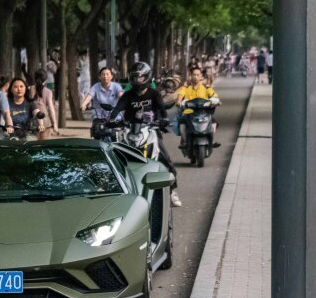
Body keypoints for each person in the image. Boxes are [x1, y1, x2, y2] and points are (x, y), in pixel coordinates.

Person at [109, 61, 182, 207]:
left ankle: (173, 191)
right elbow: (117, 109)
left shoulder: (154, 94)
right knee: (115, 158)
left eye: (140, 77)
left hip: (151, 130)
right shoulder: (128, 95)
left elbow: (162, 110)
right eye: (134, 77)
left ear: (147, 77)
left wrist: (164, 120)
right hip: (130, 132)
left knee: (165, 159)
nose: (137, 80)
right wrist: (111, 120)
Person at [177, 66, 222, 152]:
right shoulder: (186, 87)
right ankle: (185, 142)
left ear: (201, 76)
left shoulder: (206, 87)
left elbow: (214, 95)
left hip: (203, 113)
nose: (196, 77)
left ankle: (211, 141)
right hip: (189, 113)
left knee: (213, 123)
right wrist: (179, 102)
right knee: (182, 125)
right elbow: (180, 95)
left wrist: (215, 101)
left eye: (198, 75)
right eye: (194, 75)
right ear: (190, 76)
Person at [82, 67, 123, 137]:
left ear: (111, 76)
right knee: (96, 131)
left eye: (107, 74)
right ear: (99, 77)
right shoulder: (95, 87)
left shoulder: (116, 86)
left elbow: (121, 96)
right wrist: (84, 104)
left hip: (114, 117)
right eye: (103, 74)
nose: (105, 76)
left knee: (117, 135)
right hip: (99, 116)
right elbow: (89, 96)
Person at [31, 70, 58, 138]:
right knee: (44, 145)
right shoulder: (48, 92)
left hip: (32, 120)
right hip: (45, 121)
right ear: (45, 80)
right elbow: (51, 109)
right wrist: (54, 124)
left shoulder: (31, 89)